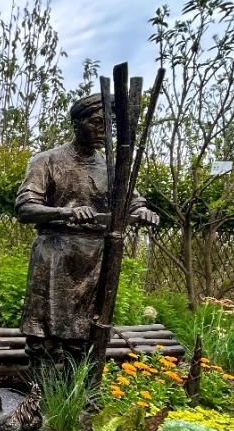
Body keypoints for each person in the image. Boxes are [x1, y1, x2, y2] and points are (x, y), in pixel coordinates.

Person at [15, 93, 159, 369]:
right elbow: (25, 207)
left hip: (95, 260)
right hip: (55, 255)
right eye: (96, 123)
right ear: (76, 124)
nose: (103, 131)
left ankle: (75, 389)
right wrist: (65, 212)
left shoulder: (111, 167)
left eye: (108, 125)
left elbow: (132, 200)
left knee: (85, 335)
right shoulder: (47, 161)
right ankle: (39, 387)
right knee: (44, 336)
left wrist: (141, 210)